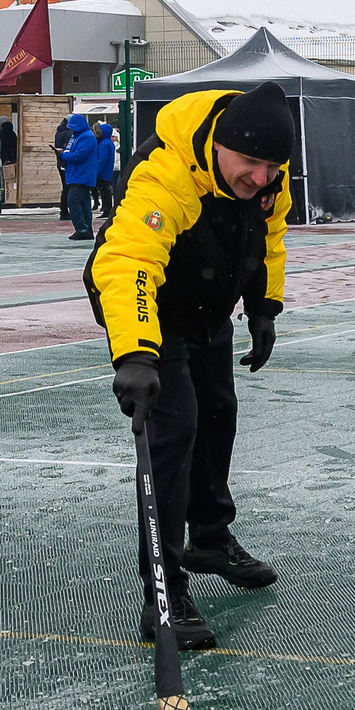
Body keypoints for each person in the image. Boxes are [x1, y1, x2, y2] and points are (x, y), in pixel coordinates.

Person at [87, 80, 292, 650]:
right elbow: (129, 261)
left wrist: (264, 307)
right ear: (221, 147)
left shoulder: (269, 175)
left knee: (218, 413)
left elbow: (268, 235)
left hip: (209, 303)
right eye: (250, 163)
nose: (262, 178)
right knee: (173, 430)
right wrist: (134, 355)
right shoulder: (165, 175)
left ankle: (209, 537)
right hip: (151, 303)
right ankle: (164, 589)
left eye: (273, 167)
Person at [59, 112, 103, 240]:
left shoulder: (86, 137)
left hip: (81, 175)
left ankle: (82, 228)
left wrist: (63, 155)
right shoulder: (79, 136)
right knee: (83, 202)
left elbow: (79, 155)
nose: (71, 129)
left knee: (74, 201)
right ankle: (85, 229)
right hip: (77, 174)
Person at [94, 120, 120, 226]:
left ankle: (107, 209)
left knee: (105, 190)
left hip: (103, 171)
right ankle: (107, 208)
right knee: (106, 190)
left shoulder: (104, 143)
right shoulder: (109, 143)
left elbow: (102, 159)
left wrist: (96, 171)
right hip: (108, 170)